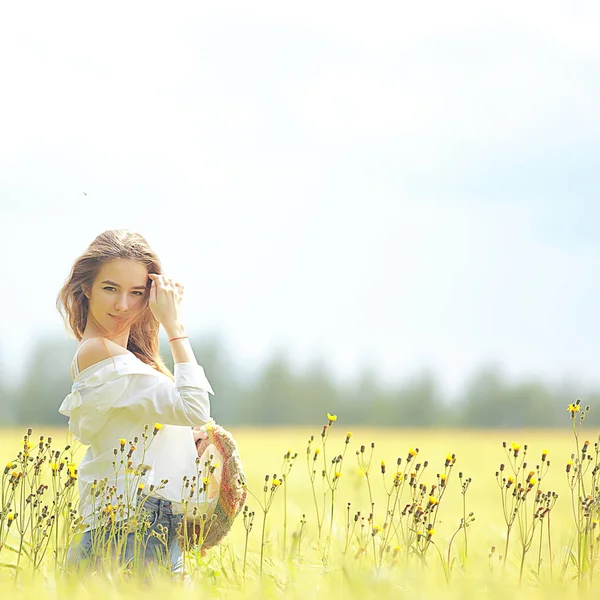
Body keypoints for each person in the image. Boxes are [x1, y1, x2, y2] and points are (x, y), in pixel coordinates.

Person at [56, 229, 215, 575]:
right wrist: (174, 324)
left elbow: (140, 429)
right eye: (110, 288)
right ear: (86, 288)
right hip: (135, 526)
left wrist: (182, 442)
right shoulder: (101, 354)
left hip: (129, 523)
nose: (122, 305)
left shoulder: (121, 362)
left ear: (149, 296)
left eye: (136, 293)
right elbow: (195, 407)